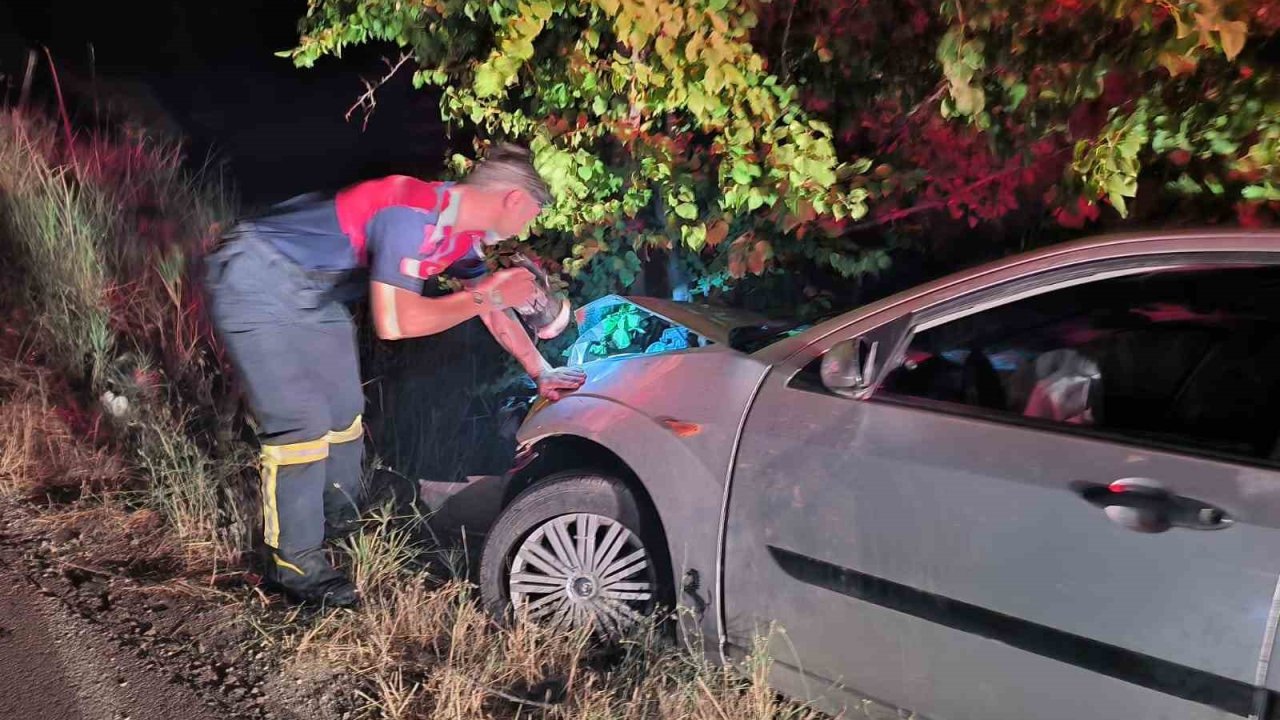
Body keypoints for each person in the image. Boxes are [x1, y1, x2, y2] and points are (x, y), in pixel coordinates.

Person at [203, 144, 586, 608]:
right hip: (255, 275)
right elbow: (396, 323)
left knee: (344, 414)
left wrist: (541, 370)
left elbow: (492, 309)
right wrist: (489, 294)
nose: (531, 224)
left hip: (317, 295)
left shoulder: (458, 234)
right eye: (533, 212)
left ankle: (340, 522)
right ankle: (296, 566)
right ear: (512, 199)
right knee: (300, 424)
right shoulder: (409, 211)